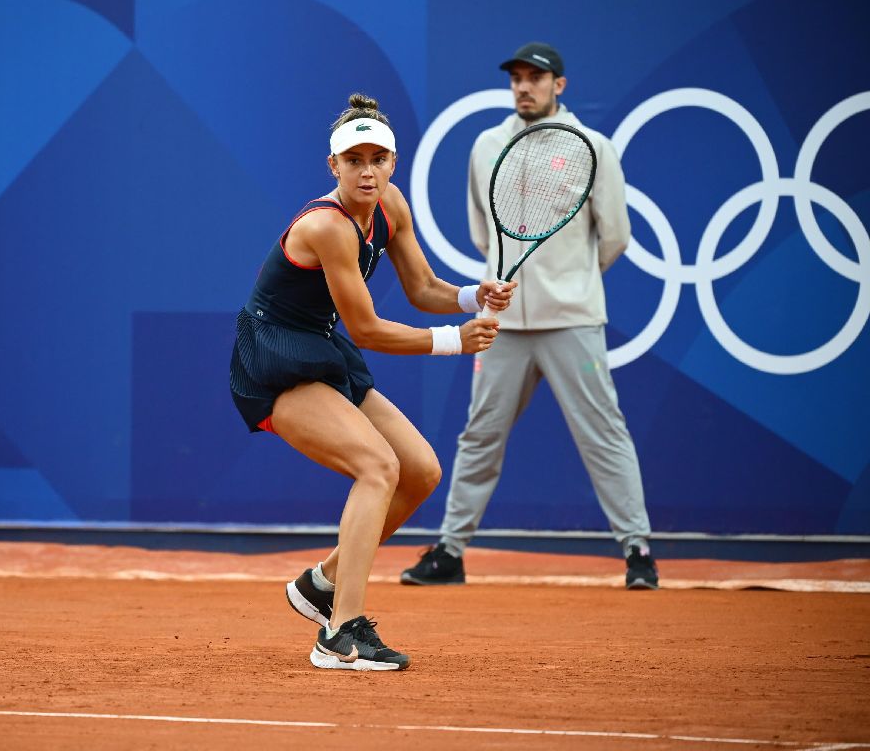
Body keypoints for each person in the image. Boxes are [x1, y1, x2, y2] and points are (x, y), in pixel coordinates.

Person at [230, 93, 516, 671]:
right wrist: (454, 340)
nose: (367, 170)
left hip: (324, 346)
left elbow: (422, 288)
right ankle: (339, 633)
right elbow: (365, 328)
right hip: (276, 356)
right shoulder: (327, 227)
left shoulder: (389, 206)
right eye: (353, 159)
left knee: (421, 471)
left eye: (377, 159)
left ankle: (321, 584)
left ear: (392, 162)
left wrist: (470, 296)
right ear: (332, 166)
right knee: (377, 467)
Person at [400, 42, 659, 590]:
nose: (524, 86)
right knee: (479, 435)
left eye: (536, 78)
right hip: (504, 325)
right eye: (517, 77)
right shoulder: (486, 145)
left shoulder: (594, 148)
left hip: (573, 321)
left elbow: (614, 236)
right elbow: (482, 230)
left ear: (558, 85)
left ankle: (637, 550)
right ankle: (449, 551)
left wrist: (572, 283)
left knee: (603, 433)